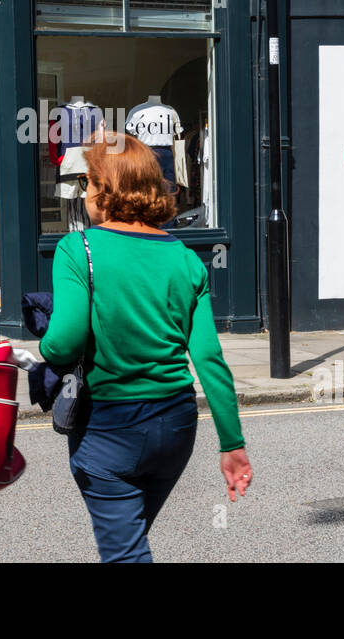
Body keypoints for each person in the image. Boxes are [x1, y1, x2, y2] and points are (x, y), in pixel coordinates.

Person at [40, 133, 252, 562]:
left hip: (109, 424)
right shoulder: (186, 259)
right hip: (175, 425)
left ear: (103, 188)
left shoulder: (77, 249)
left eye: (88, 183)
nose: (85, 194)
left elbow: (63, 343)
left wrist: (43, 340)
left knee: (125, 552)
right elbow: (209, 358)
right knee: (129, 539)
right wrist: (232, 444)